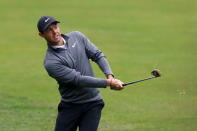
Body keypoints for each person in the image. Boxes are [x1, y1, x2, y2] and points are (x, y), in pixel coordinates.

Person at [37, 16, 124, 131]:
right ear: (41, 35)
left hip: (93, 103)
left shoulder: (77, 36)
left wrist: (110, 76)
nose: (55, 32)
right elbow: (78, 79)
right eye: (49, 30)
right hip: (70, 106)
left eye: (55, 27)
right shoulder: (51, 62)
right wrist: (109, 83)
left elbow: (97, 55)